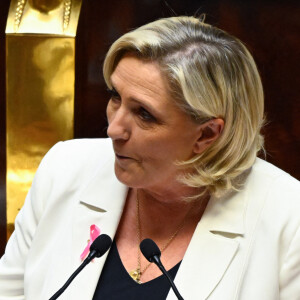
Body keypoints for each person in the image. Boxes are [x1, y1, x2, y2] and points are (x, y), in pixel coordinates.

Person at [0, 16, 299, 300]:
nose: (113, 129)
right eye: (115, 96)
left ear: (207, 134)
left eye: (144, 114)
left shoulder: (287, 219)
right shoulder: (64, 168)